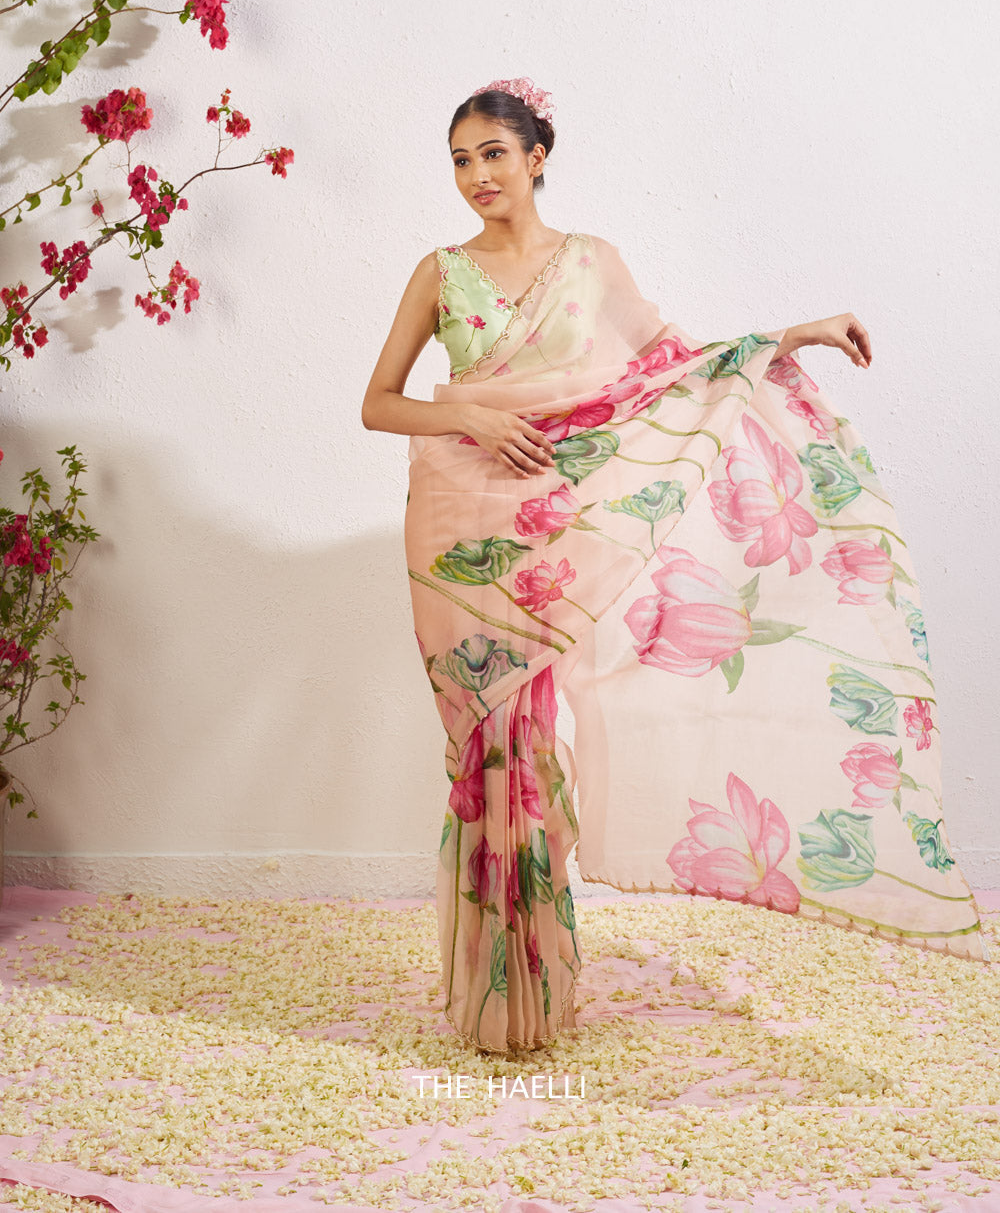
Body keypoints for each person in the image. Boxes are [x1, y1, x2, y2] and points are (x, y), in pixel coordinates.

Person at [361, 77, 988, 1055]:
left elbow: (671, 370)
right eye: (460, 160)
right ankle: (494, 996)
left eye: (493, 153)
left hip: (556, 528)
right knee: (487, 748)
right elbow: (380, 403)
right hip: (461, 529)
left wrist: (791, 335)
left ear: (535, 157)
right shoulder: (439, 273)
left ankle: (530, 996)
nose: (476, 174)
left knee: (530, 743)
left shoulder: (591, 264)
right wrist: (470, 413)